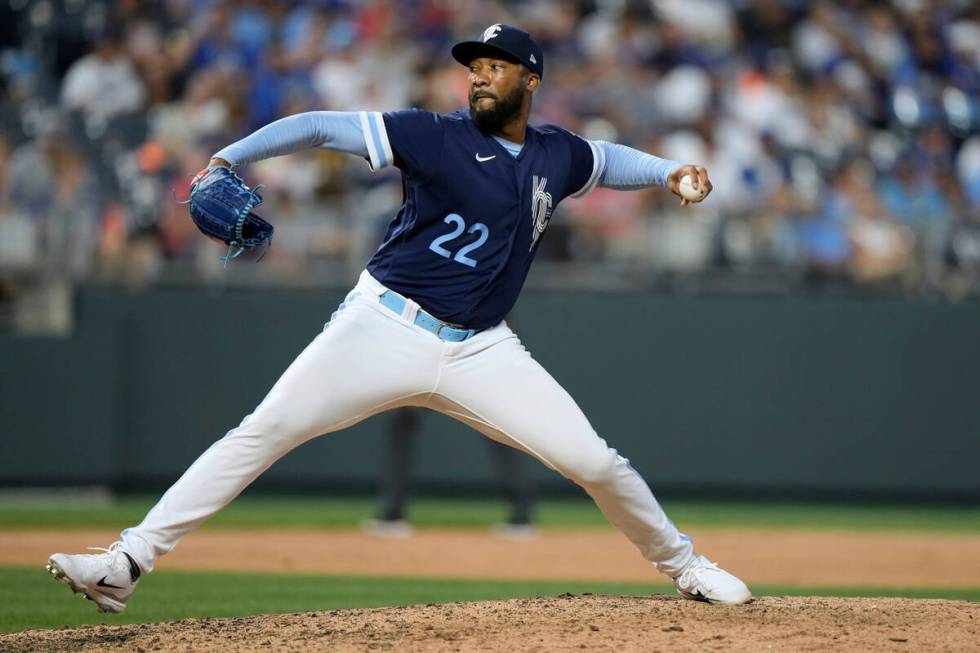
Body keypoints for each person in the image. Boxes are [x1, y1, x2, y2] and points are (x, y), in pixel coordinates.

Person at [47, 24, 751, 613]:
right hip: (384, 325)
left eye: (495, 67)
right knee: (263, 430)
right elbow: (322, 125)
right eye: (474, 66)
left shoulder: (554, 153)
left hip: (482, 349)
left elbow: (607, 160)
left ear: (529, 82)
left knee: (596, 460)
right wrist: (230, 155)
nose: (479, 76)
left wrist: (668, 171)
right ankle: (126, 562)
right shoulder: (433, 136)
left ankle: (685, 566)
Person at [363, 407, 536, 539]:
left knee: (498, 425)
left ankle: (392, 514)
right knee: (498, 425)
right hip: (464, 365)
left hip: (434, 366)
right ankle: (522, 515)